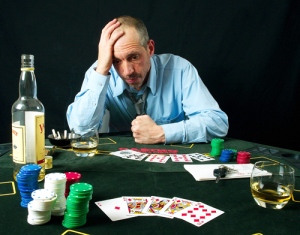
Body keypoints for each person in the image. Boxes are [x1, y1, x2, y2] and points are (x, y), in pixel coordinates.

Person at [67, 16, 228, 144]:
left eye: (134, 57)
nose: (127, 71)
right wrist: (102, 69)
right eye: (117, 61)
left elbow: (217, 124)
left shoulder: (180, 70)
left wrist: (162, 133)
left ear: (150, 48)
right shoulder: (100, 72)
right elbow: (81, 131)